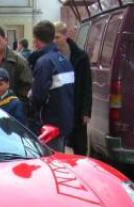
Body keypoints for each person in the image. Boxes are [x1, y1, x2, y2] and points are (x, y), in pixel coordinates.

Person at [28, 21, 75, 152]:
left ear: (36, 40)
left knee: (50, 161)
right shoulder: (63, 60)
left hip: (49, 123)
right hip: (65, 120)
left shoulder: (44, 62)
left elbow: (38, 97)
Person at [54, 21, 92, 155]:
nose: (55, 41)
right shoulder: (51, 56)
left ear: (66, 36)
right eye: (52, 38)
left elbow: (87, 84)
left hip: (76, 104)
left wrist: (86, 111)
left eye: (57, 37)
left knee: (79, 144)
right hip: (59, 105)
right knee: (58, 144)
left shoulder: (80, 56)